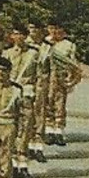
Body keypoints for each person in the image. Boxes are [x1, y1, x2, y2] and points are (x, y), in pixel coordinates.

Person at [2, 24, 40, 178]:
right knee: (10, 130)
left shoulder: (34, 54)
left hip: (26, 93)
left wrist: (37, 95)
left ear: (26, 36)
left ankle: (22, 166)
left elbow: (40, 76)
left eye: (21, 34)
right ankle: (10, 165)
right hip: (11, 95)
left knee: (25, 129)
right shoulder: (7, 53)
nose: (17, 37)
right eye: (15, 34)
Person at [44, 22, 82, 147]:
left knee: (59, 104)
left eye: (58, 30)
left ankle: (58, 130)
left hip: (61, 77)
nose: (55, 32)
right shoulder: (45, 43)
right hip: (47, 77)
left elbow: (72, 63)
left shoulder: (68, 45)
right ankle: (49, 129)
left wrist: (71, 80)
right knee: (47, 102)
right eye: (52, 29)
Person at [27, 22, 51, 163]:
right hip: (26, 85)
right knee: (25, 117)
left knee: (40, 116)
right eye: (31, 28)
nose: (33, 32)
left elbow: (52, 67)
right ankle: (26, 146)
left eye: (36, 29)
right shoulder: (23, 46)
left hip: (41, 85)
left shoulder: (47, 47)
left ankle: (38, 147)